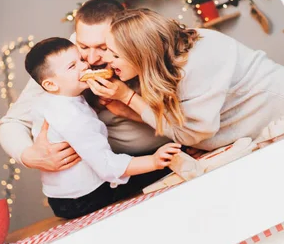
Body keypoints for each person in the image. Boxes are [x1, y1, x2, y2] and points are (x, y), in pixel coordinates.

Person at [85, 9, 284, 151]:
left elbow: (190, 134)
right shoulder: (174, 55)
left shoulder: (193, 65)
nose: (106, 59)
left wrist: (127, 98)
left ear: (141, 53)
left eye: (114, 54)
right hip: (279, 114)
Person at [0, 0, 171, 173]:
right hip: (120, 168)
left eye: (104, 48)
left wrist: (126, 103)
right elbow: (12, 122)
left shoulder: (145, 46)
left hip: (169, 148)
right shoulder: (65, 63)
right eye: (84, 47)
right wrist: (29, 156)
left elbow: (179, 118)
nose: (91, 59)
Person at [23, 37, 180, 218]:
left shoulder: (52, 100)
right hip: (85, 197)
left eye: (80, 60)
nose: (84, 66)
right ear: (50, 84)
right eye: (72, 67)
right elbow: (106, 166)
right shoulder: (72, 117)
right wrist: (154, 161)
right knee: (166, 166)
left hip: (59, 197)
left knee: (138, 162)